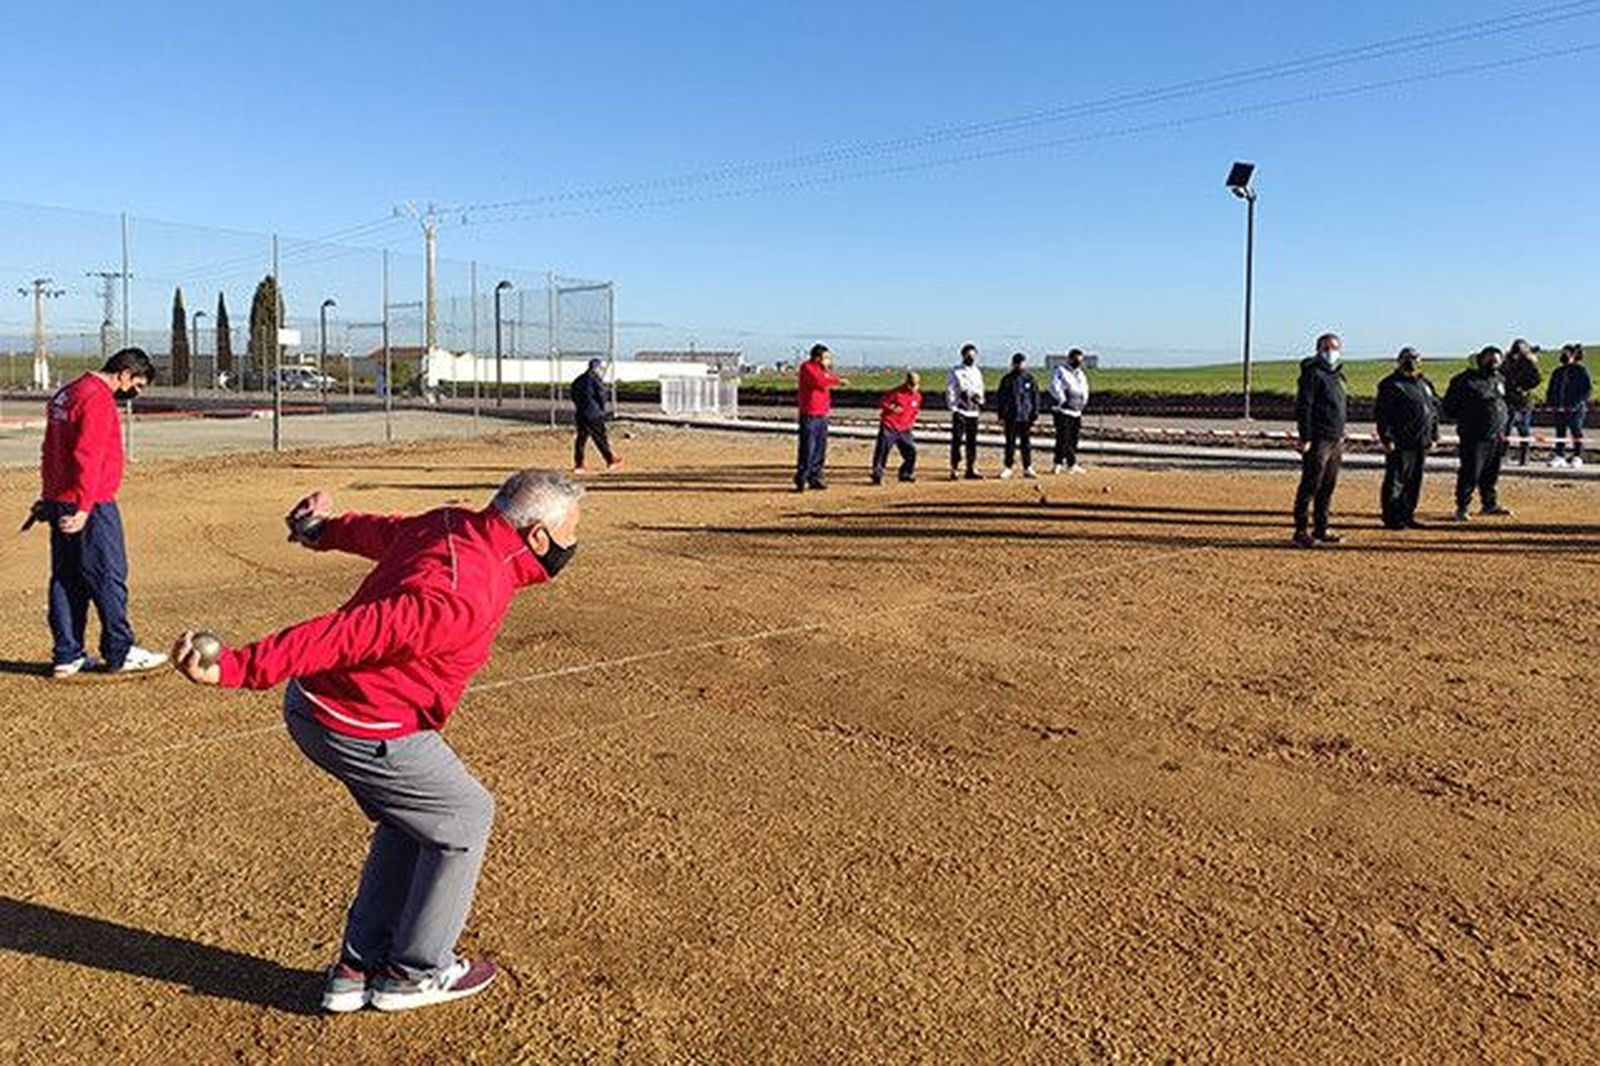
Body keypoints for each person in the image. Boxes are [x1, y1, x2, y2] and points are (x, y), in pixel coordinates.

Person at [169, 469, 584, 1014]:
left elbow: (384, 533)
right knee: (465, 816)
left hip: (336, 708)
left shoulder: (454, 523)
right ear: (537, 537)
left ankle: (358, 968)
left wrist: (323, 529)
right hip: (360, 722)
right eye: (573, 531)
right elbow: (348, 633)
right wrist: (238, 667)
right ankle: (416, 972)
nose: (576, 542)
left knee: (413, 818)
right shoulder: (466, 591)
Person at [36, 347, 168, 678]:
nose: (134, 392)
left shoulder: (67, 393)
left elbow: (51, 449)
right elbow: (88, 455)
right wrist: (83, 506)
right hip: (91, 503)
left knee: (66, 578)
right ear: (124, 374)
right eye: (136, 384)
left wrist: (49, 497)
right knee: (108, 575)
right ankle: (119, 651)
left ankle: (68, 654)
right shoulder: (97, 397)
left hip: (61, 499)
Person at [1441, 346, 1513, 521]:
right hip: (1474, 436)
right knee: (1470, 472)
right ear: (1481, 360)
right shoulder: (1464, 381)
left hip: (1496, 435)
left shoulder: (1499, 380)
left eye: (1497, 360)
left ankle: (1489, 504)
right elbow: (1449, 408)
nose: (1494, 364)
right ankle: (1462, 506)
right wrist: (1470, 417)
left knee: (1491, 473)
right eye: (1490, 360)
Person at [1291, 332, 1348, 548]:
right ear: (1318, 350)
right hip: (1318, 439)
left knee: (1328, 486)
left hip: (1335, 439)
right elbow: (1304, 406)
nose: (1331, 352)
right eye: (1326, 348)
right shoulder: (1312, 374)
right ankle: (1301, 530)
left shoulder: (1339, 376)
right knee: (1310, 485)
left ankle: (1321, 528)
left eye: (1334, 348)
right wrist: (1305, 437)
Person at [1373, 347, 1440, 529]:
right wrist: (1386, 438)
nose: (1412, 361)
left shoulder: (1425, 383)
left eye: (1416, 358)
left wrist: (1434, 435)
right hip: (1400, 441)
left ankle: (1407, 514)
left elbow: (1433, 411)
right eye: (1407, 358)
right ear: (1399, 360)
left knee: (1414, 481)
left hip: (1421, 441)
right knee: (1396, 480)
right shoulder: (1390, 384)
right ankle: (1392, 517)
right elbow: (1382, 415)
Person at [794, 343, 843, 492]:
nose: (829, 360)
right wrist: (836, 380)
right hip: (810, 414)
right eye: (826, 357)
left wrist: (831, 377)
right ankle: (802, 476)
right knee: (808, 447)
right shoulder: (807, 367)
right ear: (817, 357)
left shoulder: (823, 371)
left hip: (822, 414)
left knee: (820, 448)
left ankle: (815, 476)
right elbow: (820, 381)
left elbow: (827, 378)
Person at [570, 357, 621, 475]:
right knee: (600, 438)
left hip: (581, 413)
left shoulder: (578, 380)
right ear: (596, 368)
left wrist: (580, 406)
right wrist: (601, 408)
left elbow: (573, 395)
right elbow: (601, 395)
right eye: (600, 368)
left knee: (581, 439)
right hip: (594, 414)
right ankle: (610, 460)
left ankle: (579, 464)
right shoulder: (595, 379)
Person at [870, 371, 922, 484]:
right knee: (882, 451)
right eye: (911, 385)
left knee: (911, 452)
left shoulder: (917, 397)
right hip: (890, 426)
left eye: (916, 385)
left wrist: (910, 423)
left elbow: (915, 411)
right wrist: (891, 408)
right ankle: (877, 474)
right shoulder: (896, 392)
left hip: (905, 429)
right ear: (907, 383)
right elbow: (882, 402)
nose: (914, 388)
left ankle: (906, 473)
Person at [995, 352, 1040, 479]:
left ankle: (1028, 467)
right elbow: (1001, 398)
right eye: (1017, 363)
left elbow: (1035, 397)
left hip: (1026, 417)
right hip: (1011, 417)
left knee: (1026, 444)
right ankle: (1008, 467)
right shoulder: (1007, 380)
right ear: (1013, 364)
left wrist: (1035, 414)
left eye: (1022, 363)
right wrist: (1001, 415)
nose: (1020, 365)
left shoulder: (1030, 379)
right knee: (1010, 443)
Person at [1547, 344, 1591, 468]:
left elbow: (1586, 390)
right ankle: (1559, 456)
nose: (1563, 356)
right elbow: (1551, 389)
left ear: (1574, 355)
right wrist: (1551, 403)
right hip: (1559, 408)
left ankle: (1578, 456)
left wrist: (1577, 403)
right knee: (1560, 432)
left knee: (1576, 431)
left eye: (1566, 353)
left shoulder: (1581, 370)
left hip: (1575, 408)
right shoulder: (1558, 371)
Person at [945, 343, 984, 480]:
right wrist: (953, 407)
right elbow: (950, 390)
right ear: (963, 356)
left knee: (972, 442)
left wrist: (980, 400)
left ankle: (971, 468)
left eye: (973, 355)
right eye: (968, 355)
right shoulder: (955, 371)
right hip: (960, 411)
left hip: (974, 411)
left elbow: (980, 388)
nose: (971, 358)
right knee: (957, 441)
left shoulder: (977, 372)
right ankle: (954, 468)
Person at [1049, 348, 1090, 474]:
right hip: (1063, 411)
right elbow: (1054, 387)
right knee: (1063, 438)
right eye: (1076, 359)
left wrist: (1083, 402)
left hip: (1077, 411)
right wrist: (1062, 400)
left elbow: (1085, 388)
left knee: (1073, 438)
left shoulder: (1081, 374)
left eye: (1080, 360)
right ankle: (1058, 463)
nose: (1078, 362)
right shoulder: (1061, 371)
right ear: (1070, 359)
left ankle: (1070, 464)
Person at [1502, 338, 1542, 466]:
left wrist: (1523, 387)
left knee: (1523, 430)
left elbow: (1536, 379)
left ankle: (1524, 455)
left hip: (1523, 401)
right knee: (1506, 429)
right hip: (1508, 400)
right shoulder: (1508, 362)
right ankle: (1503, 455)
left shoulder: (1528, 363)